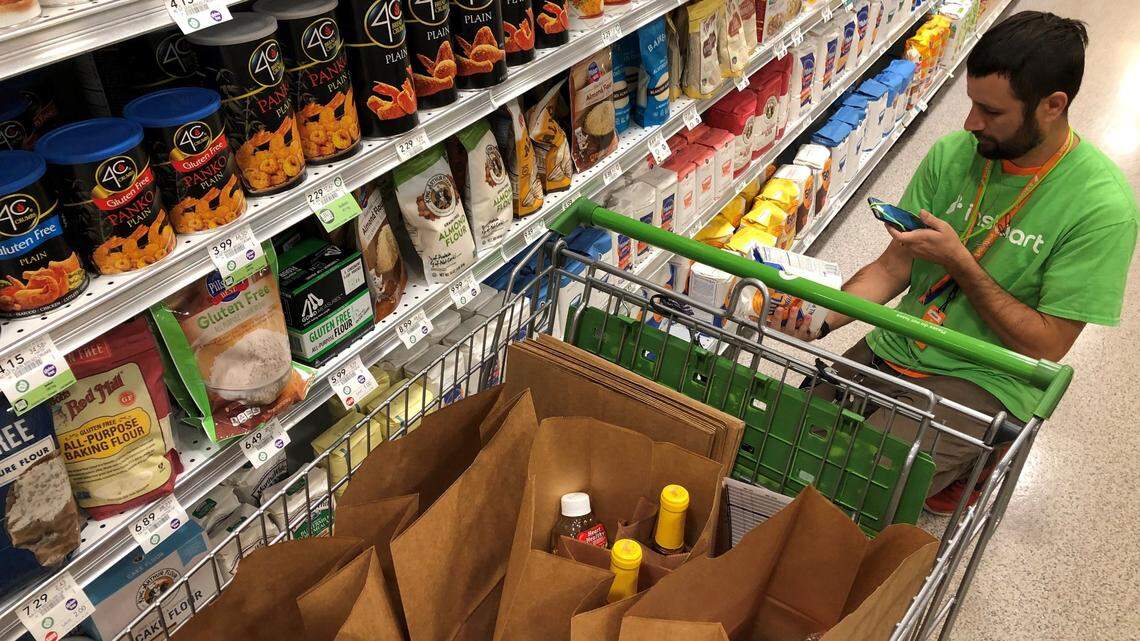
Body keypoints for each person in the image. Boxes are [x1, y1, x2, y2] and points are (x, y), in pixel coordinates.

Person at [777, 11, 1138, 514]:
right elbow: (891, 269)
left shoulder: (1102, 207)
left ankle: (982, 453)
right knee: (777, 444)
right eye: (971, 104)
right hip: (900, 339)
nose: (971, 124)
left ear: (1054, 106)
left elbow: (1047, 345)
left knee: (852, 491)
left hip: (986, 373)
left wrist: (962, 264)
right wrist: (816, 319)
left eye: (992, 113)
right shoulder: (952, 155)